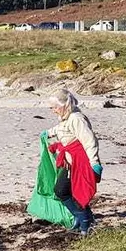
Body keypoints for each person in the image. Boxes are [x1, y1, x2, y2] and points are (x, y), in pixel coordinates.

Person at [42, 89, 102, 236]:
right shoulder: (66, 118)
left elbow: (89, 140)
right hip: (70, 161)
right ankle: (83, 218)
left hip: (80, 162)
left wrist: (94, 163)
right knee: (66, 191)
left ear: (64, 105)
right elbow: (62, 129)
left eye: (55, 107)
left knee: (62, 190)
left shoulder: (76, 118)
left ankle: (84, 220)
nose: (53, 111)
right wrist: (49, 133)